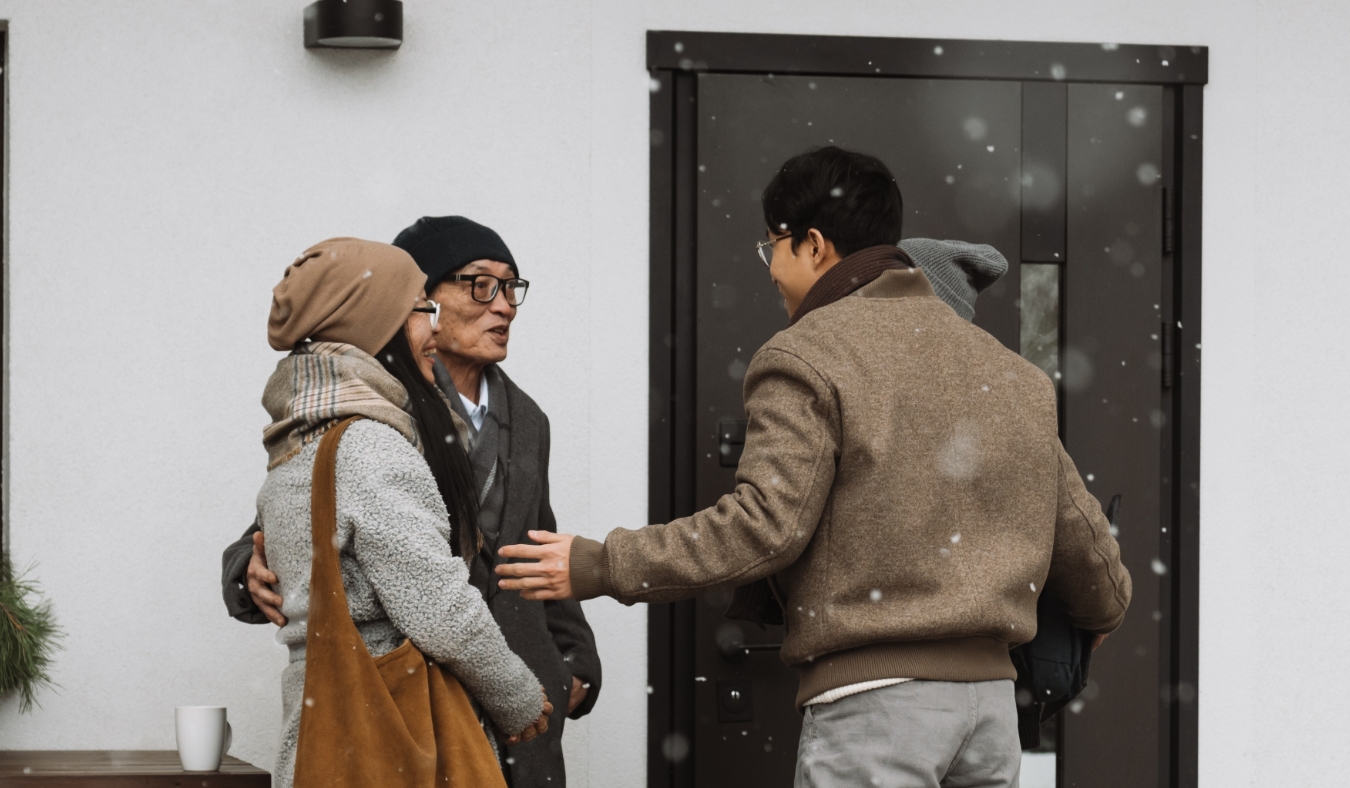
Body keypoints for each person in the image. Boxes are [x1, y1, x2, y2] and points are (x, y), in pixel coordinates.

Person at [495, 147, 1133, 788]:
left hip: (876, 711)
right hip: (991, 715)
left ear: (814, 245)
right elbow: (1080, 535)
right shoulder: (1013, 374)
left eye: (772, 246)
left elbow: (763, 527)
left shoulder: (808, 355)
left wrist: (603, 563)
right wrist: (1102, 611)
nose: (772, 268)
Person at [223, 218, 601, 788]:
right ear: (414, 304)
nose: (504, 306)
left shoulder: (528, 419)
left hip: (524, 694)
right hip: (415, 702)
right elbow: (295, 514)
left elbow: (537, 541)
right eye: (480, 285)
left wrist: (574, 662)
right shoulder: (371, 416)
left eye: (510, 287)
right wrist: (247, 566)